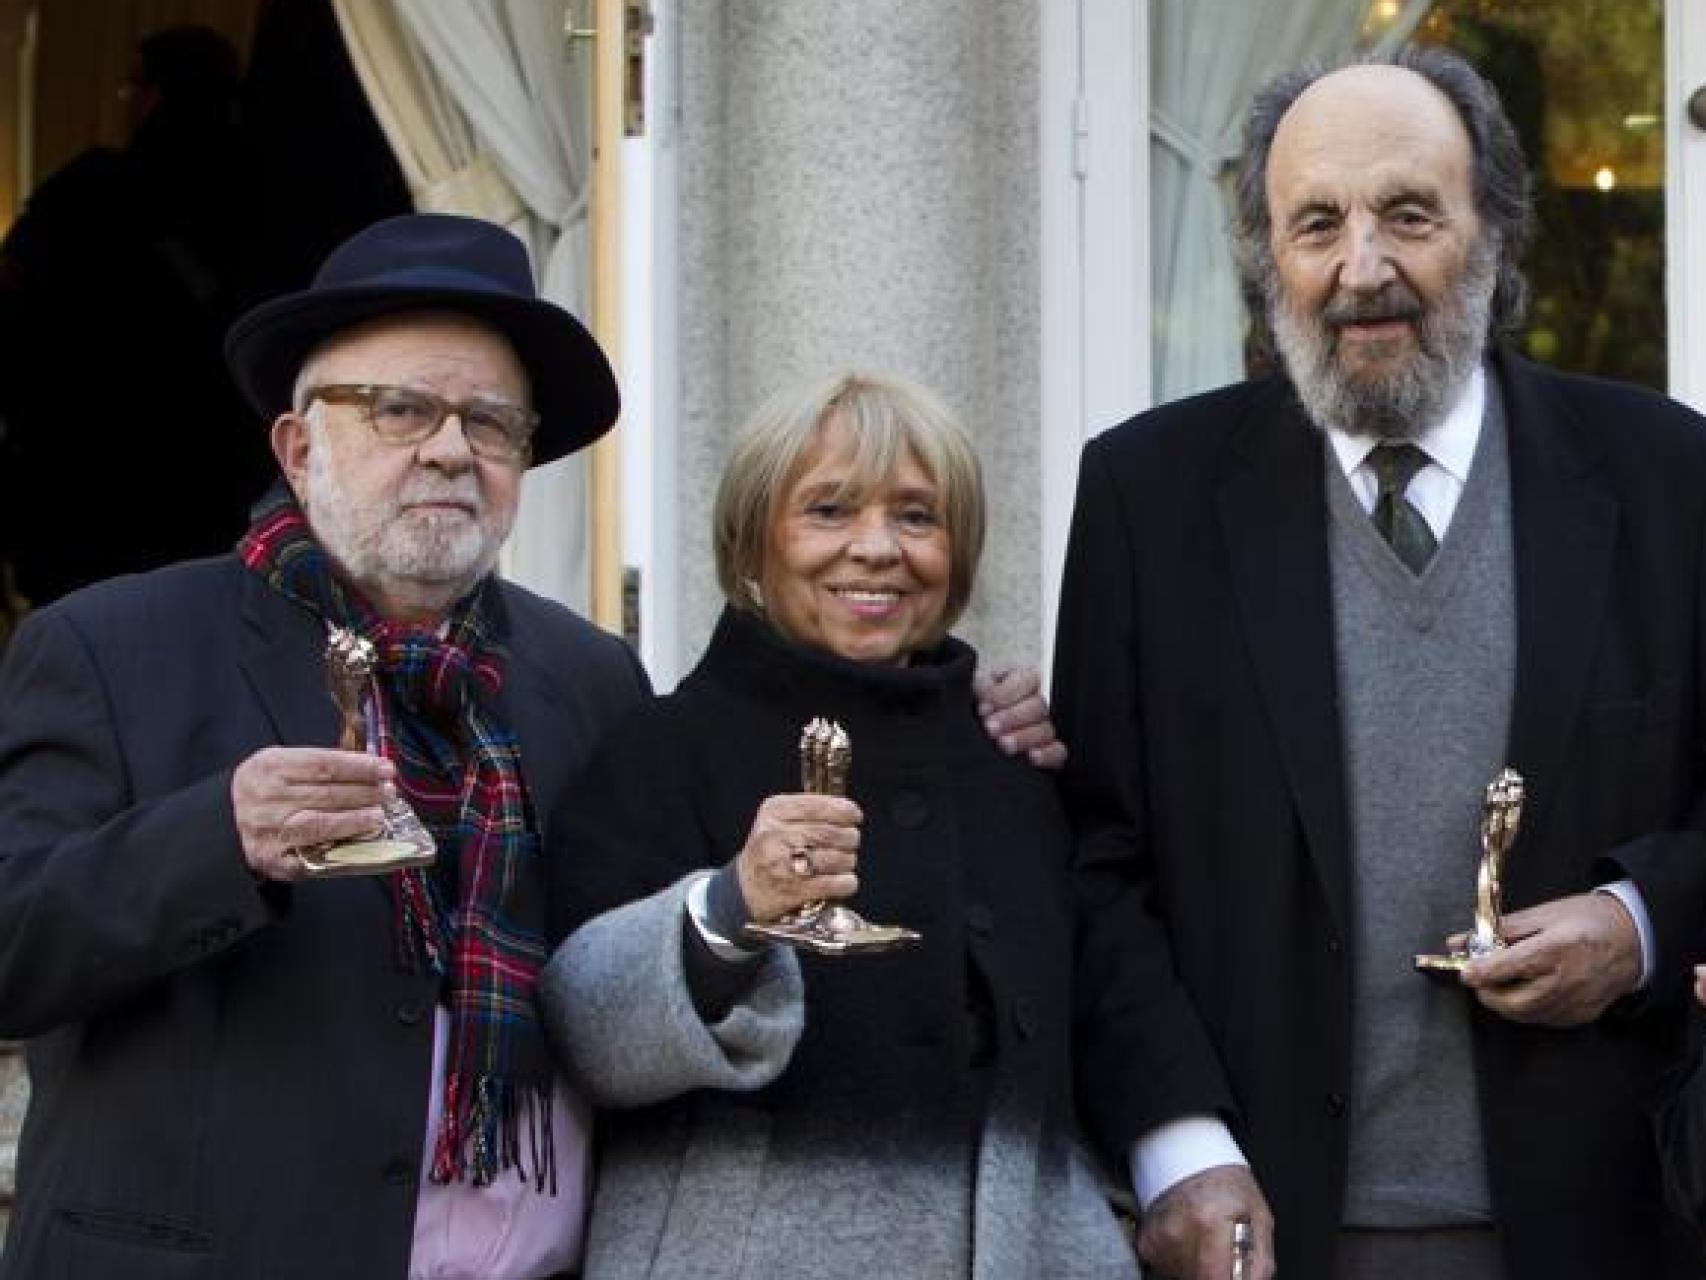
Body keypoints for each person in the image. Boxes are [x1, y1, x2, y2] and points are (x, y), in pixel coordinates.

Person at [0, 214, 1060, 1279]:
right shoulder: (108, 648)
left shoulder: (586, 678)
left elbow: (699, 847)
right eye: (400, 408)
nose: (451, 448)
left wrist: (971, 709)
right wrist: (216, 837)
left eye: (492, 423)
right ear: (297, 442)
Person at [1052, 46, 1706, 1280]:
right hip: (1264, 1225)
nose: (1362, 268)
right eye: (1315, 224)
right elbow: (1095, 862)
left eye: (1408, 214)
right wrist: (1177, 1146)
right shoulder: (1146, 497)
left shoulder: (1669, 479)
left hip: (1609, 1216)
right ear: (1267, 263)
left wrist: (1636, 923)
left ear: (1493, 234)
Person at [540, 371, 1138, 1279]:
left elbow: (1100, 1020)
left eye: (917, 517)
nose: (876, 549)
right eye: (828, 511)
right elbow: (582, 1034)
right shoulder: (664, 749)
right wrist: (728, 910)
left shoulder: (1017, 761)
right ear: (753, 543)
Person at [0, 25, 272, 606]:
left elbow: (15, 335)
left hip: (85, 499)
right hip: (217, 502)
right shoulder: (274, 202)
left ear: (150, 97)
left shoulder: (82, 196)